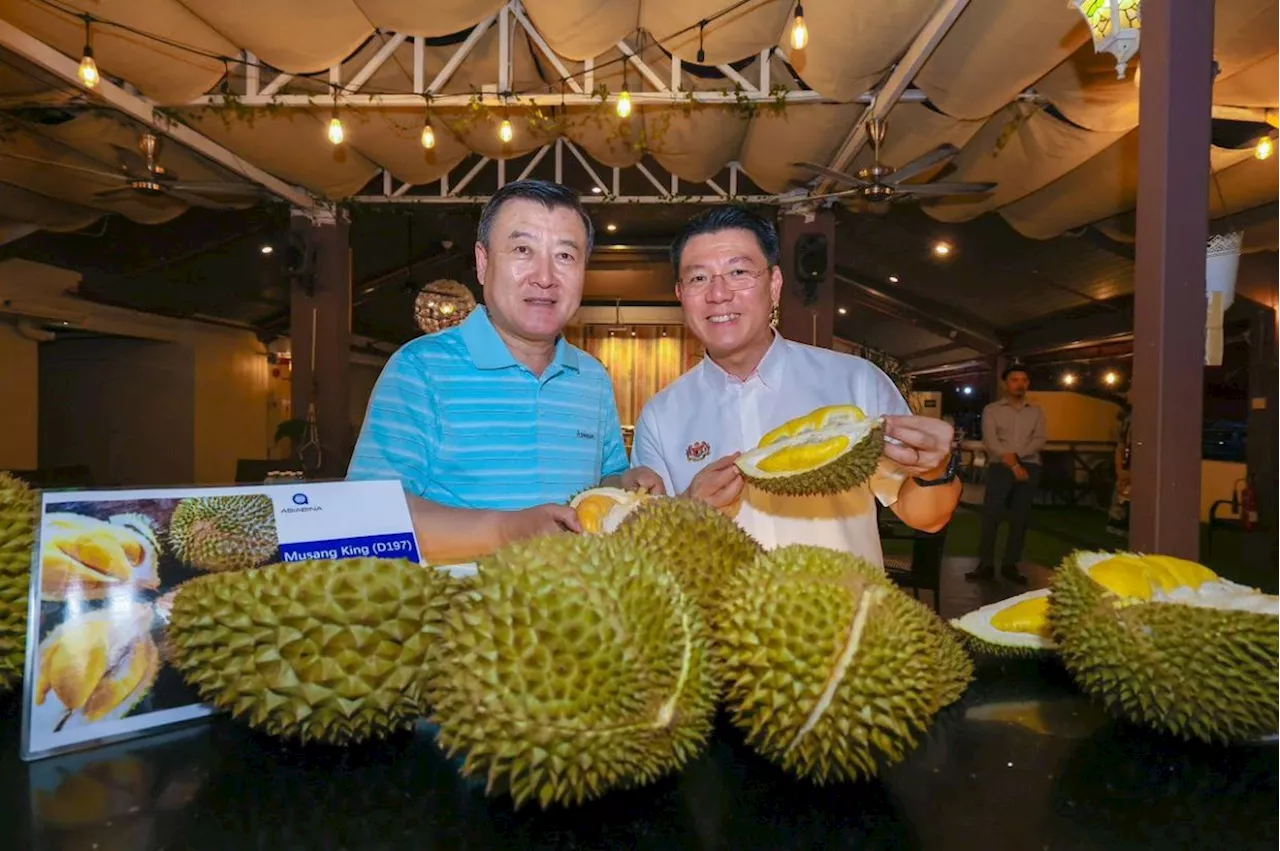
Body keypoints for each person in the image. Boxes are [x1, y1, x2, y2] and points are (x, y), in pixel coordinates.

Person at [347, 180, 664, 564]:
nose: (544, 276)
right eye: (522, 250)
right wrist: (505, 531)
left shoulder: (592, 378)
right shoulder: (420, 369)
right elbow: (366, 515)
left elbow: (606, 477)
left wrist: (623, 485)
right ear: (483, 263)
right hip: (458, 614)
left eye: (565, 256)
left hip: (575, 609)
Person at [630, 206, 962, 568]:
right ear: (681, 294)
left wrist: (935, 470)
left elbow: (928, 517)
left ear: (774, 285)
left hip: (846, 619)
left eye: (738, 272)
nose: (719, 294)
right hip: (719, 623)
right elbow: (648, 554)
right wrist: (688, 509)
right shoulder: (662, 415)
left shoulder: (855, 382)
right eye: (699, 279)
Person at [970, 364, 1047, 584]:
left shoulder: (1036, 411)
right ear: (1006, 383)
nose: (1020, 384)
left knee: (1020, 519)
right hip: (1000, 468)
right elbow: (990, 439)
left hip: (1029, 466)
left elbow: (1040, 439)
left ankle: (1010, 565)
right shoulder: (992, 410)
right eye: (1015, 380)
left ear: (1028, 383)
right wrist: (1011, 462)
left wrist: (1016, 456)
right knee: (991, 517)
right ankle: (985, 565)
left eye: (1024, 380)